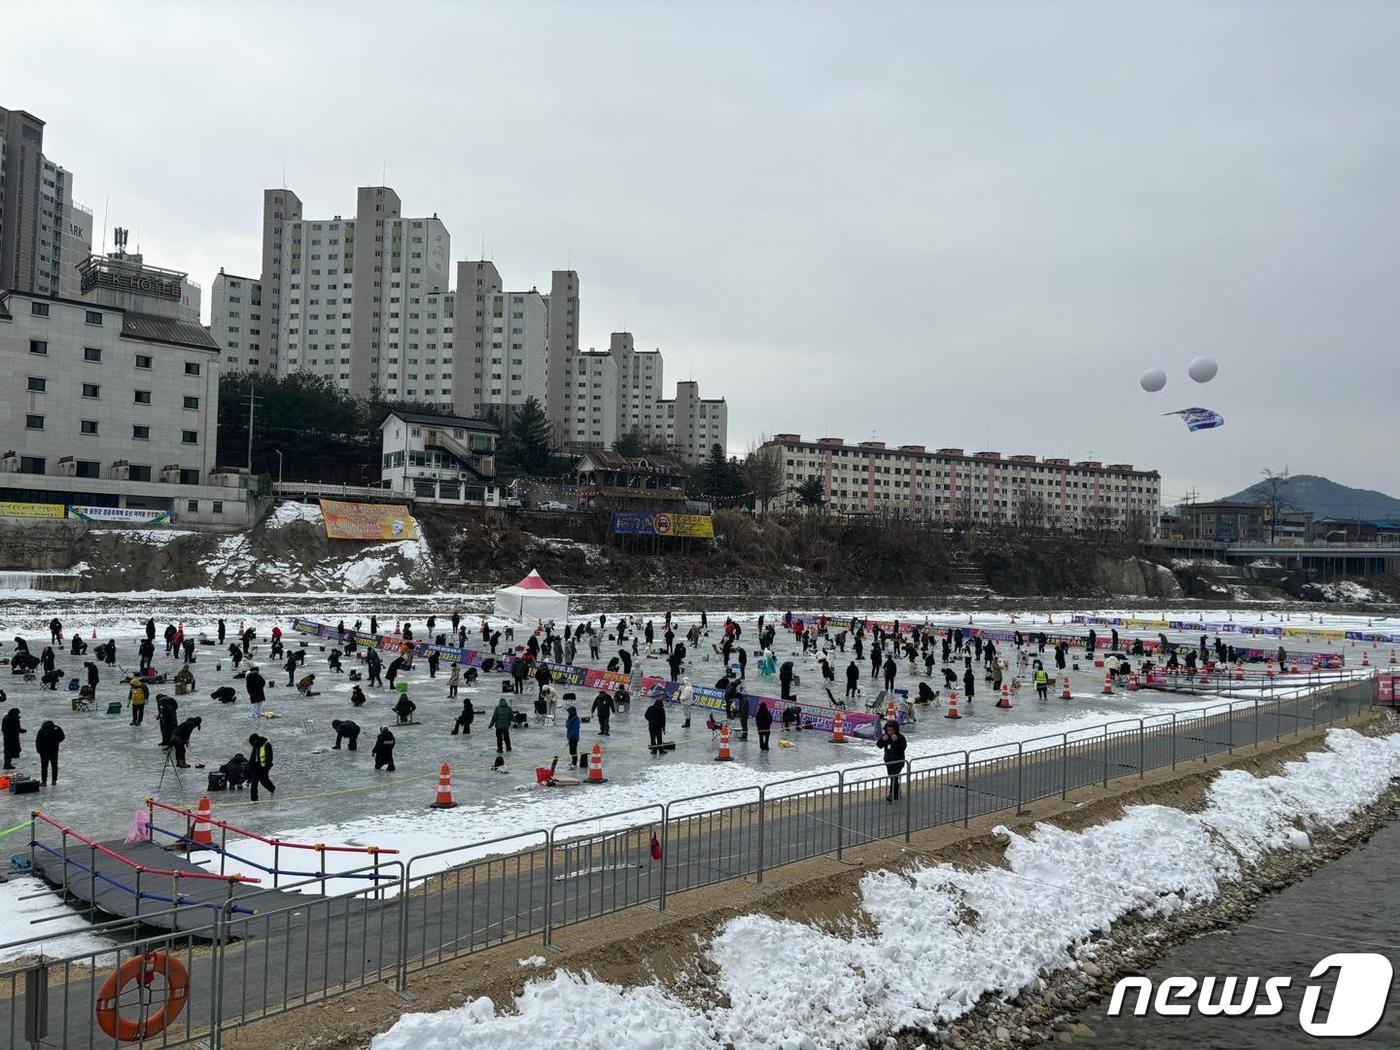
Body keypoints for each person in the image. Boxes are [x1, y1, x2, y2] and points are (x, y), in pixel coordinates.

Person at [879, 722, 907, 803]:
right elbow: (879, 745)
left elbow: (903, 748)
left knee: (893, 777)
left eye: (891, 730)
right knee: (892, 777)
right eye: (888, 730)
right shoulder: (886, 737)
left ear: (895, 730)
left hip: (898, 761)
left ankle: (892, 794)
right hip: (888, 761)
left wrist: (897, 740)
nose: (890, 732)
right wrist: (882, 739)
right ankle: (897, 792)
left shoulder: (900, 737)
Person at [248, 734, 275, 801]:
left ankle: (272, 789)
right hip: (255, 768)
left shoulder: (266, 745)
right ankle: (254, 799)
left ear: (255, 741)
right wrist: (250, 765)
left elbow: (269, 758)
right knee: (254, 783)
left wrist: (266, 768)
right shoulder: (256, 746)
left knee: (264, 781)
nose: (252, 746)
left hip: (263, 768)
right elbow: (253, 757)